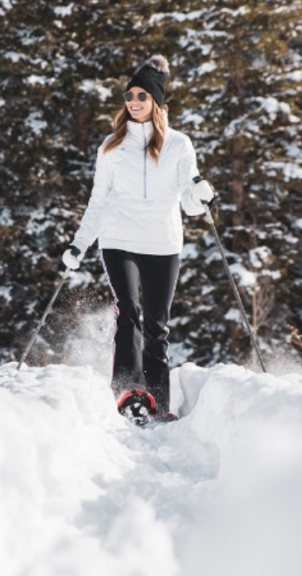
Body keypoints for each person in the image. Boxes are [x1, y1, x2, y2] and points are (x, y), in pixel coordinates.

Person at [61, 54, 215, 420]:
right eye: (129, 95)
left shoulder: (179, 145)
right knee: (128, 311)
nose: (133, 101)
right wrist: (79, 244)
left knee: (157, 325)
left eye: (142, 95)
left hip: (163, 242)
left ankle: (158, 403)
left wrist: (201, 192)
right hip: (119, 239)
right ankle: (128, 391)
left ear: (157, 102)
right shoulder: (111, 147)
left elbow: (191, 203)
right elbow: (98, 203)